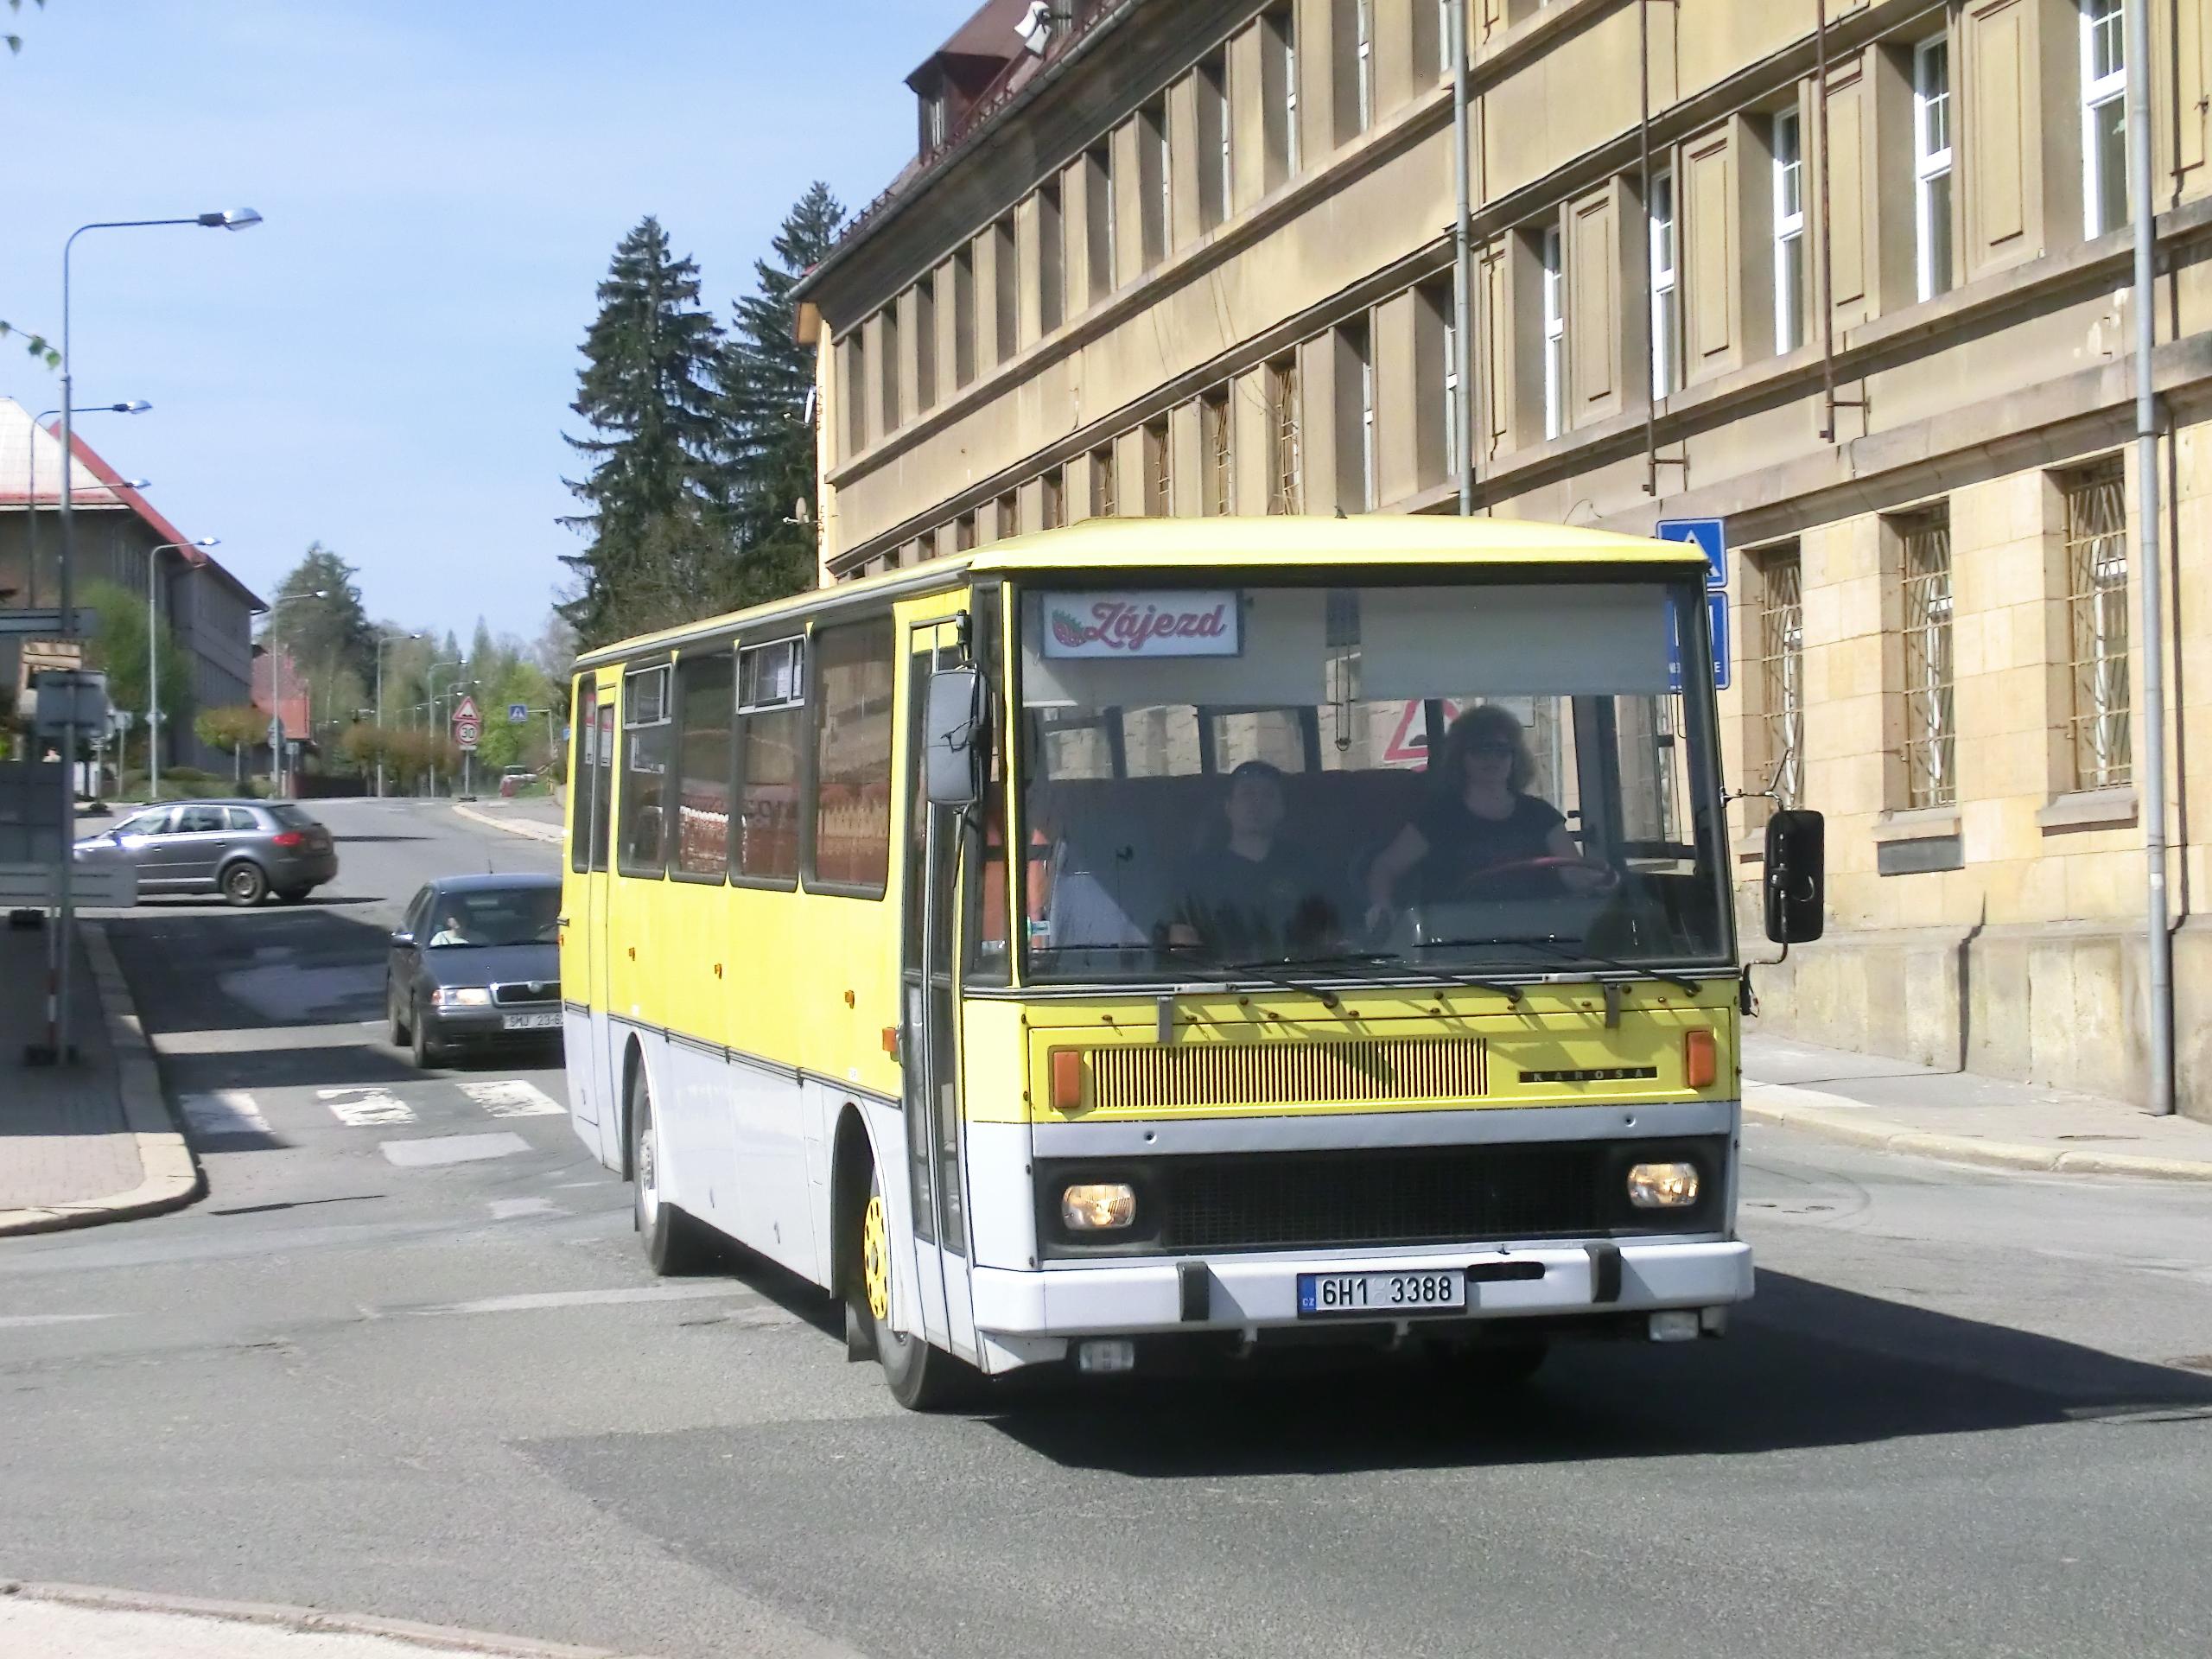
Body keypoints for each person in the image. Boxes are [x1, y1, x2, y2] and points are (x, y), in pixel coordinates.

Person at [1364, 704, 1603, 927]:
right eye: (1481, 750)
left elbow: (1571, 870)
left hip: (1537, 937)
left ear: (1514, 758)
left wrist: (1593, 879)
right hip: (1455, 938)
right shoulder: (1438, 817)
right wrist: (1382, 908)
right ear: (1460, 759)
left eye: (1501, 751)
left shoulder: (1540, 814)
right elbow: (1385, 867)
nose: (1492, 759)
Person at [1170, 760, 1334, 957]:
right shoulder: (1196, 872)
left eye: (1268, 795)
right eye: (1247, 794)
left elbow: (1332, 936)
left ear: (1281, 809)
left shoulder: (1307, 866)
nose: (1257, 803)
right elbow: (1182, 943)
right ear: (1228, 807)